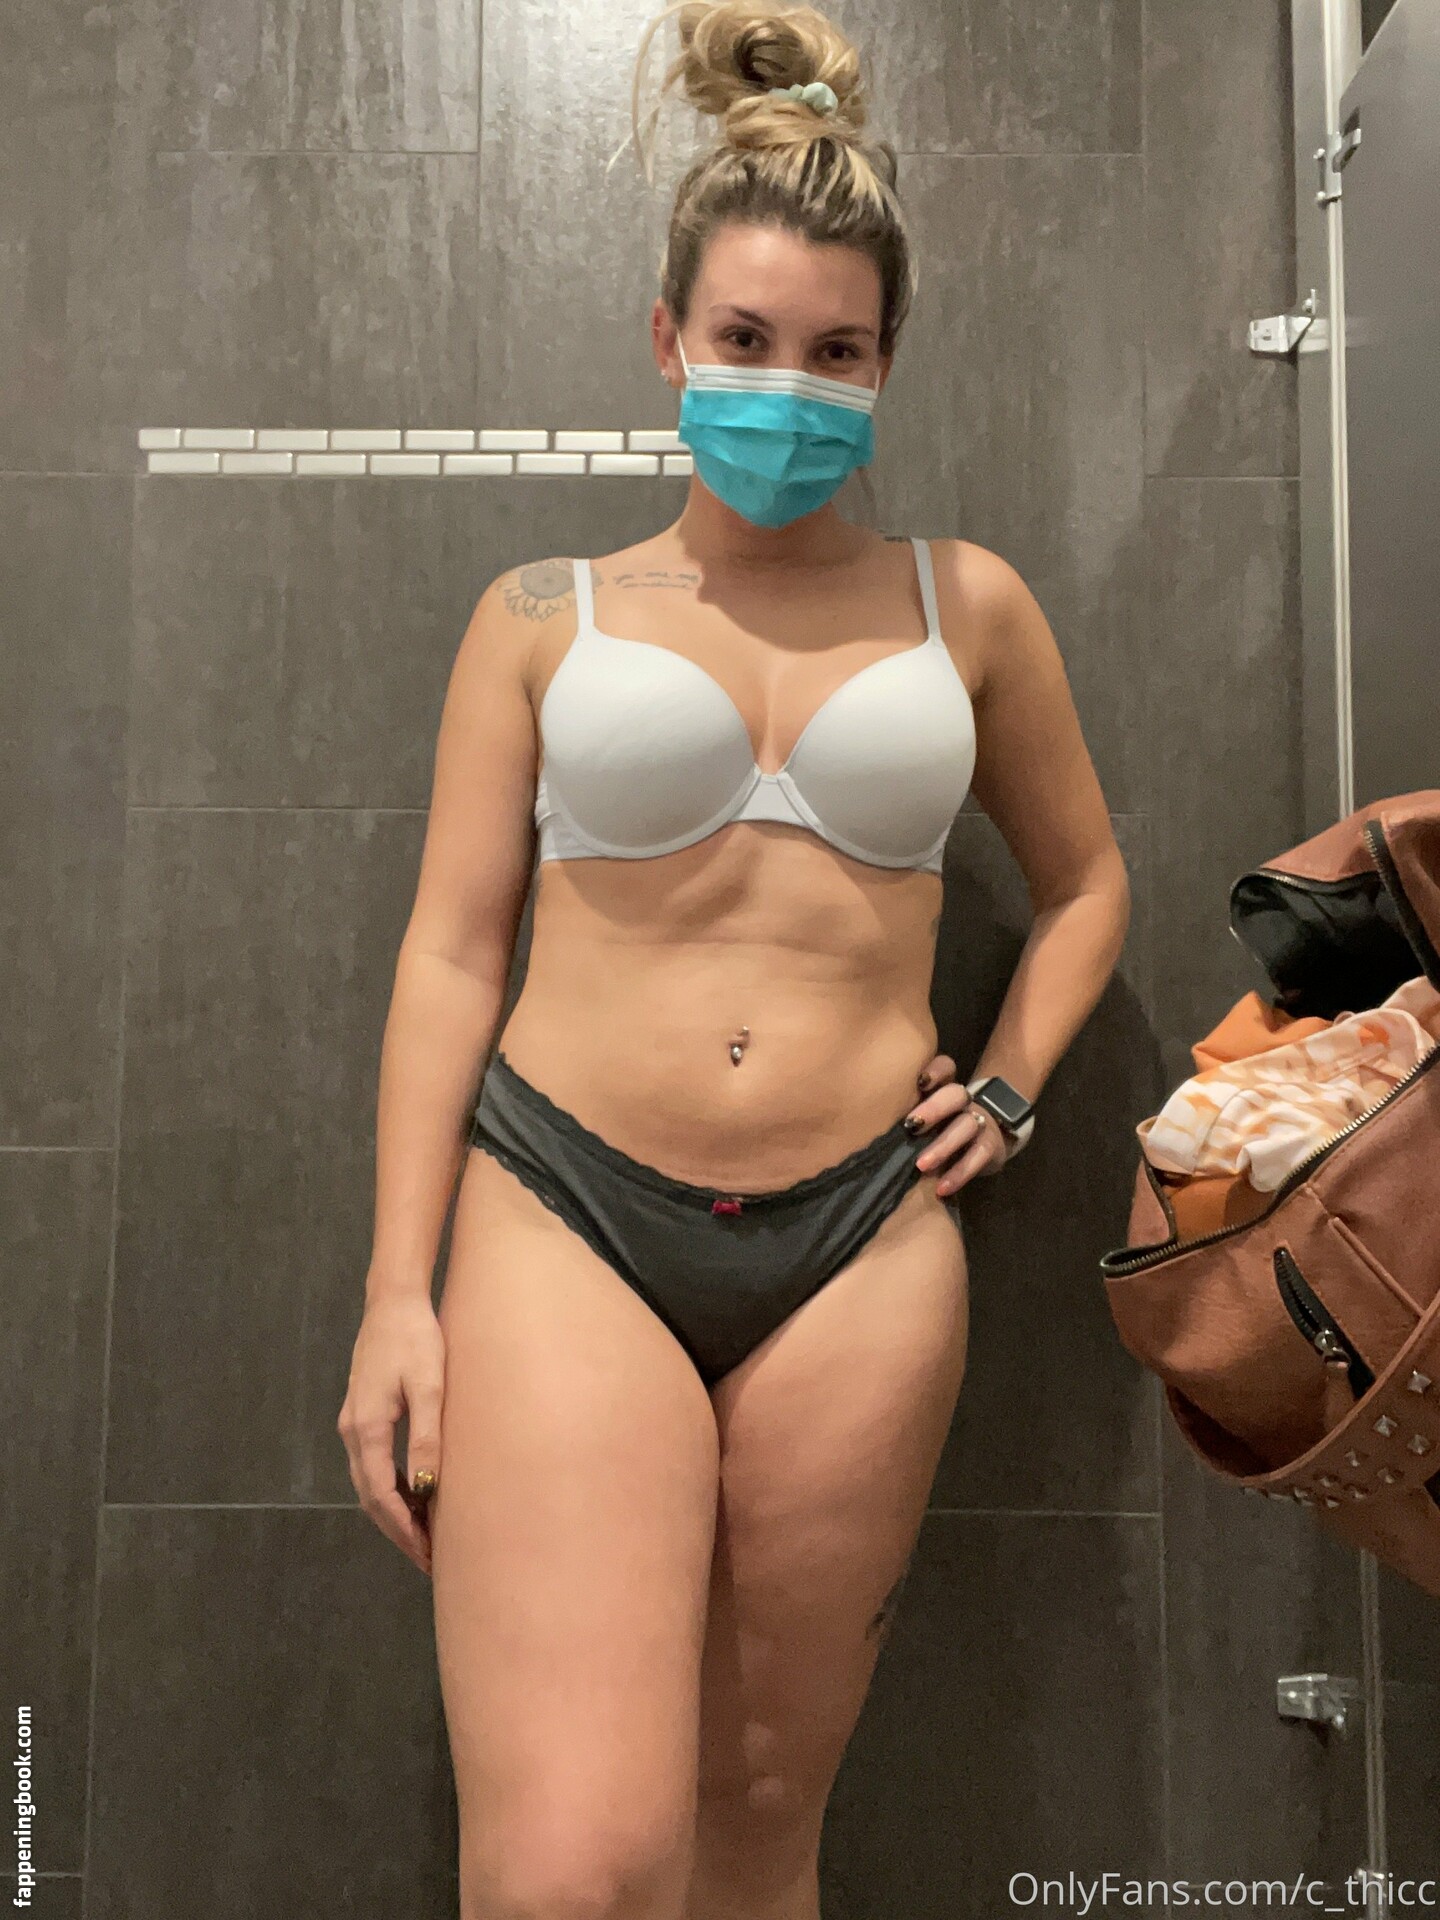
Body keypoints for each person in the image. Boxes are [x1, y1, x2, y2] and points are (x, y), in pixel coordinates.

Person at [337, 2, 1130, 1914]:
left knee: (763, 1826)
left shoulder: (971, 608)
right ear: (669, 339)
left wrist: (1011, 1086)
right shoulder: (542, 615)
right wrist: (394, 1294)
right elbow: (450, 955)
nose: (790, 385)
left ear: (888, 362)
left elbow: (1091, 880)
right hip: (567, 1209)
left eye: (836, 352)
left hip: (864, 1243)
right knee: (571, 1867)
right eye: (749, 339)